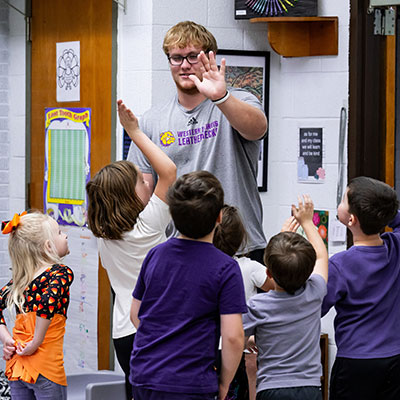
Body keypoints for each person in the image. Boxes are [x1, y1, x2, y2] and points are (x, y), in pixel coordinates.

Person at [127, 20, 268, 263]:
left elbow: (257, 129)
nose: (184, 65)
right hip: (180, 248)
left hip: (238, 247)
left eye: (193, 56)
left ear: (210, 57)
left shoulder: (237, 100)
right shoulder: (152, 120)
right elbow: (143, 187)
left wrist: (220, 97)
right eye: (176, 57)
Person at [129, 171, 247, 400]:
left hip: (145, 375)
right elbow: (233, 337)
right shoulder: (226, 268)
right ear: (219, 218)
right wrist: (224, 383)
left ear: (172, 215)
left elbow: (136, 314)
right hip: (191, 382)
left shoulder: (155, 255)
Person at [86, 100, 176, 398]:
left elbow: (102, 198)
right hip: (154, 331)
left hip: (124, 334)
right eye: (140, 180)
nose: (147, 181)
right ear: (128, 196)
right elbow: (169, 171)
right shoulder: (148, 224)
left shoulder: (102, 231)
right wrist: (133, 130)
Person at [321, 177, 400, 400]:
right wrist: (384, 209)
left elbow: (315, 307)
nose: (340, 202)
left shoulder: (339, 265)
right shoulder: (396, 246)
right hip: (395, 358)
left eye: (343, 199)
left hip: (356, 362)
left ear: (351, 219)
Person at [243, 195, 328, 400]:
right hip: (309, 388)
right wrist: (307, 222)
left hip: (272, 389)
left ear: (268, 273)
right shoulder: (314, 292)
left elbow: (236, 338)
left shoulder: (257, 305)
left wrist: (250, 341)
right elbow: (321, 256)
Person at [0, 212, 74, 399]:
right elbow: (46, 304)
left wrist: (7, 339)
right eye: (59, 232)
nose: (65, 235)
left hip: (17, 366)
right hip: (45, 368)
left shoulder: (21, 280)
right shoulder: (60, 273)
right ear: (48, 246)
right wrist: (36, 342)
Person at [213, 205, 274, 400]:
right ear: (241, 238)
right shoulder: (251, 268)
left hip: (208, 346)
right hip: (237, 346)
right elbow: (280, 286)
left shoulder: (205, 267)